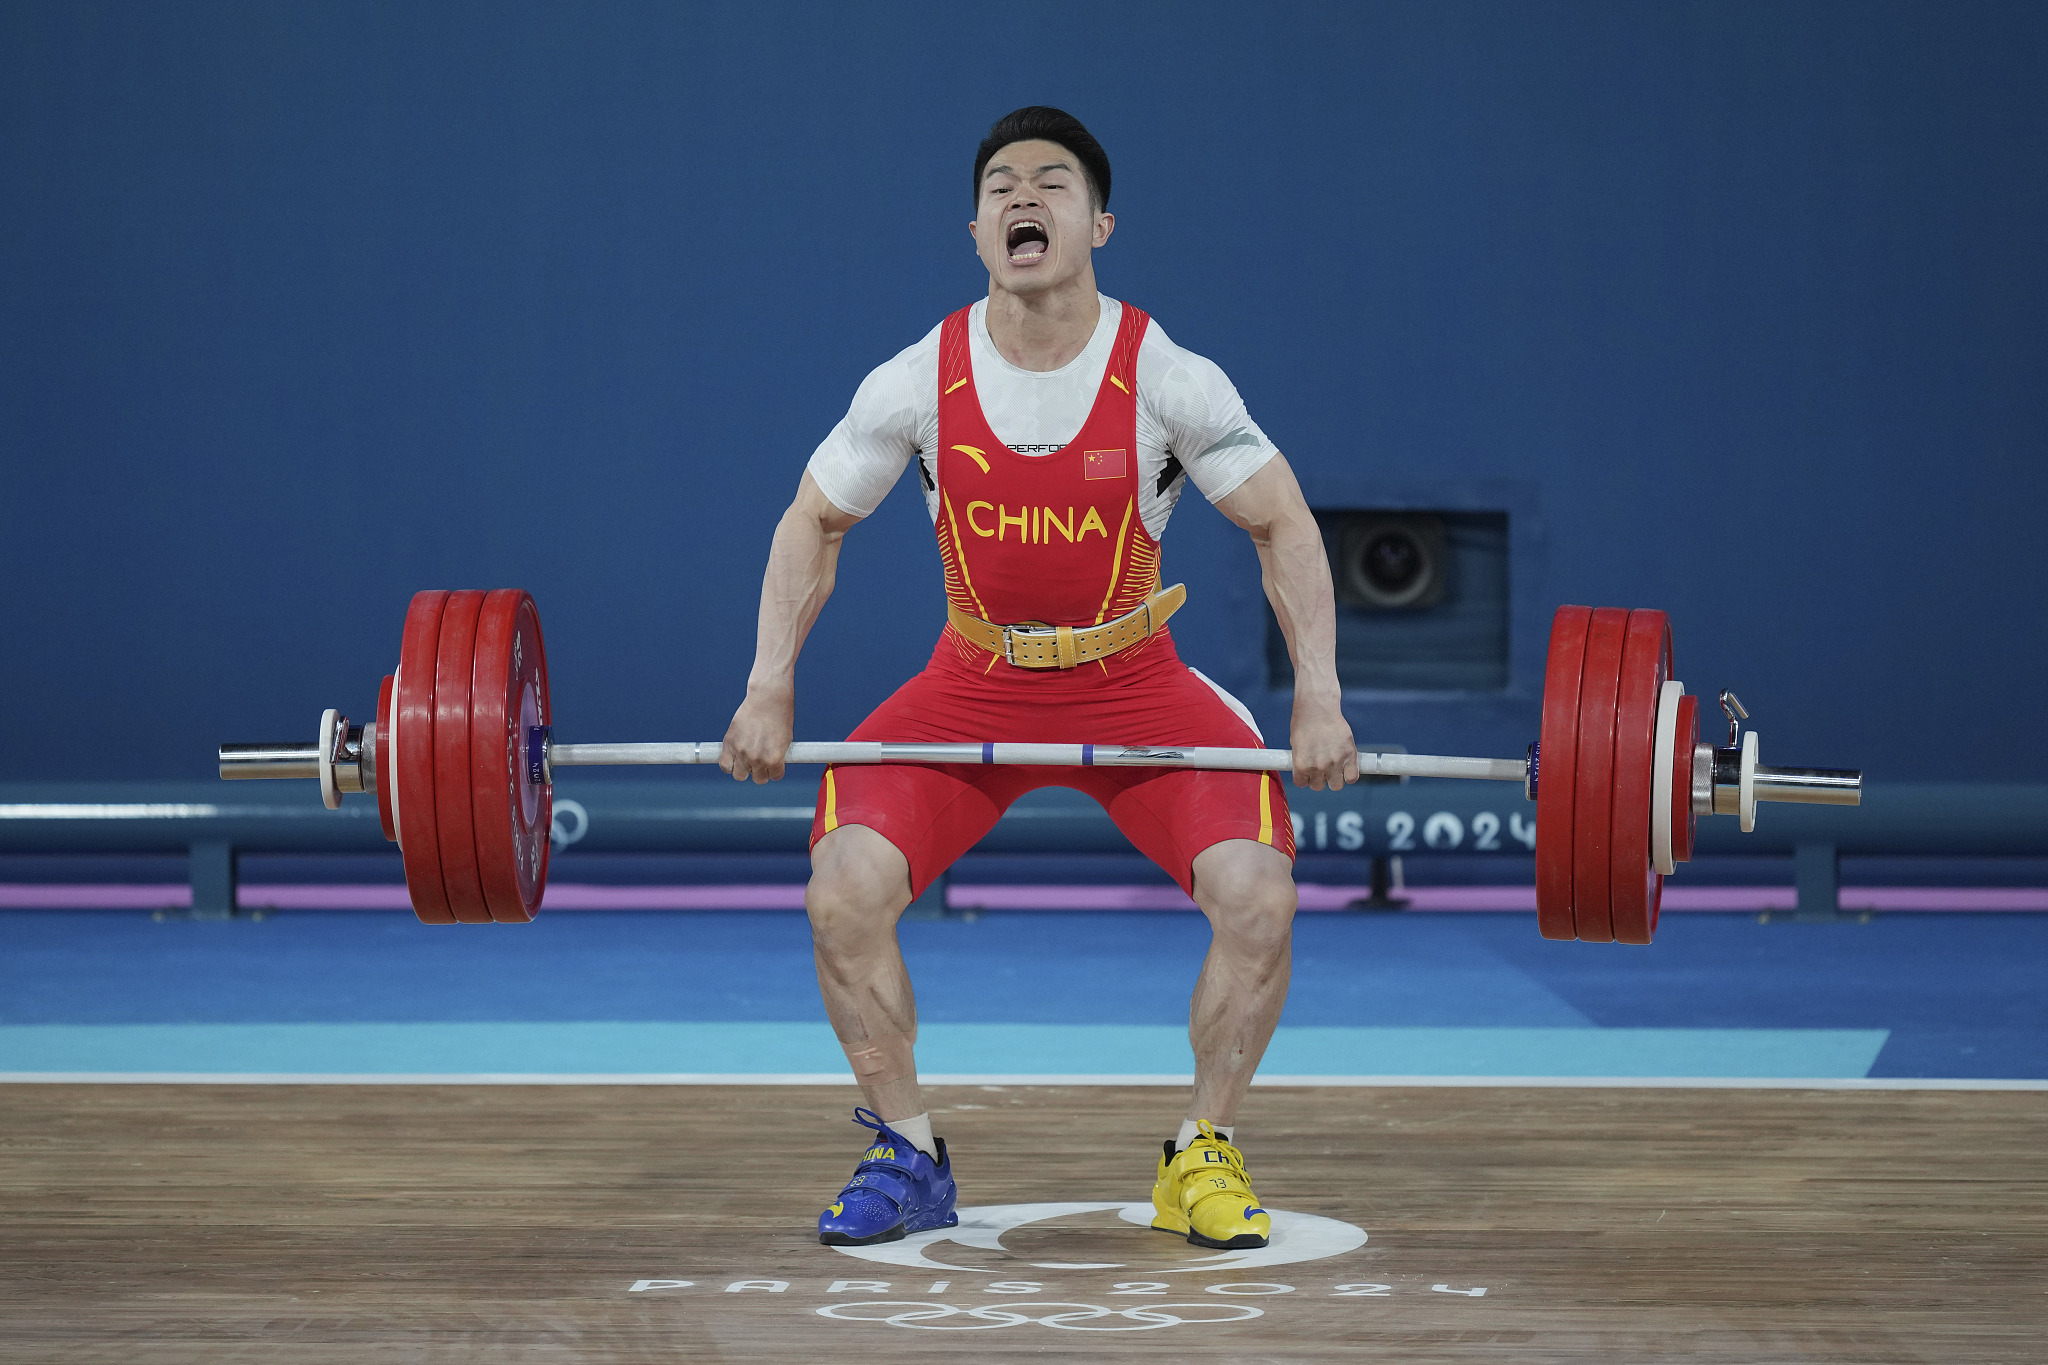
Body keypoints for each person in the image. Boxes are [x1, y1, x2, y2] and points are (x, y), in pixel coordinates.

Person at [720, 106, 1358, 1251]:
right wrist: (770, 682)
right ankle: (906, 1155)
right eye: (1002, 185)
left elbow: (1282, 524)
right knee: (842, 891)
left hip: (1137, 688)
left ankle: (1201, 1152)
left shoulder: (1163, 372)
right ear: (974, 230)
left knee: (1258, 900)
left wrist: (1318, 690)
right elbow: (812, 521)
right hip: (971, 685)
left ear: (1097, 223)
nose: (1025, 198)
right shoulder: (919, 376)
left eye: (1053, 183)